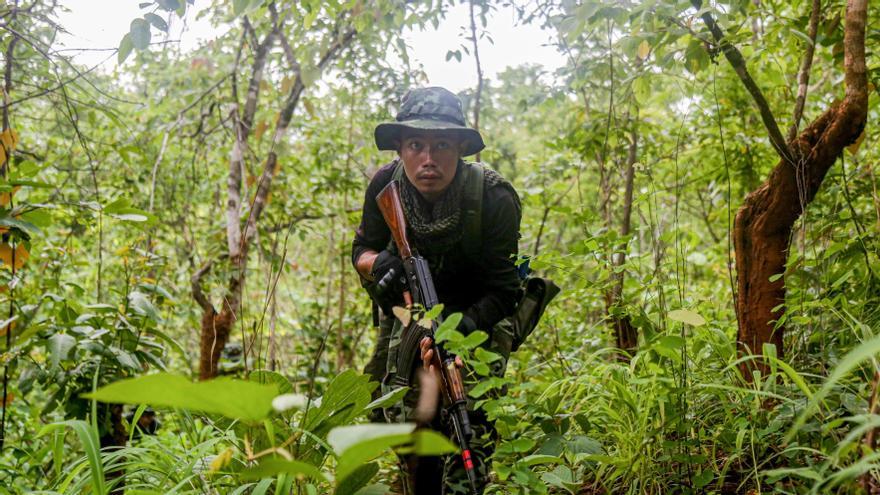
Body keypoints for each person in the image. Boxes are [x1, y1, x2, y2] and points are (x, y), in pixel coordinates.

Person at [351, 87, 522, 494]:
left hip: (477, 315)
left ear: (461, 148)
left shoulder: (494, 197)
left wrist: (458, 330)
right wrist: (379, 265)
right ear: (399, 148)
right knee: (405, 423)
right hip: (409, 317)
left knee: (469, 427)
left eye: (441, 144)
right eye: (416, 145)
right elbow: (361, 249)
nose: (428, 158)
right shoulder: (383, 187)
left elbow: (504, 289)